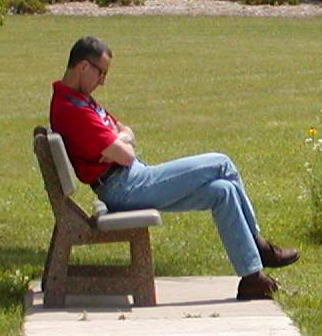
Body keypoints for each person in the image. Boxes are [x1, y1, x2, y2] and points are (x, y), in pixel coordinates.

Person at [48, 35, 298, 300]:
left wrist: (119, 143)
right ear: (84, 67)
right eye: (101, 73)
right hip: (125, 187)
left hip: (128, 180)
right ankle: (259, 246)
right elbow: (126, 154)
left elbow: (126, 132)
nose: (103, 81)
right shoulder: (72, 109)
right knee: (221, 162)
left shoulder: (80, 100)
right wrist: (122, 146)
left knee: (222, 190)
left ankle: (251, 279)